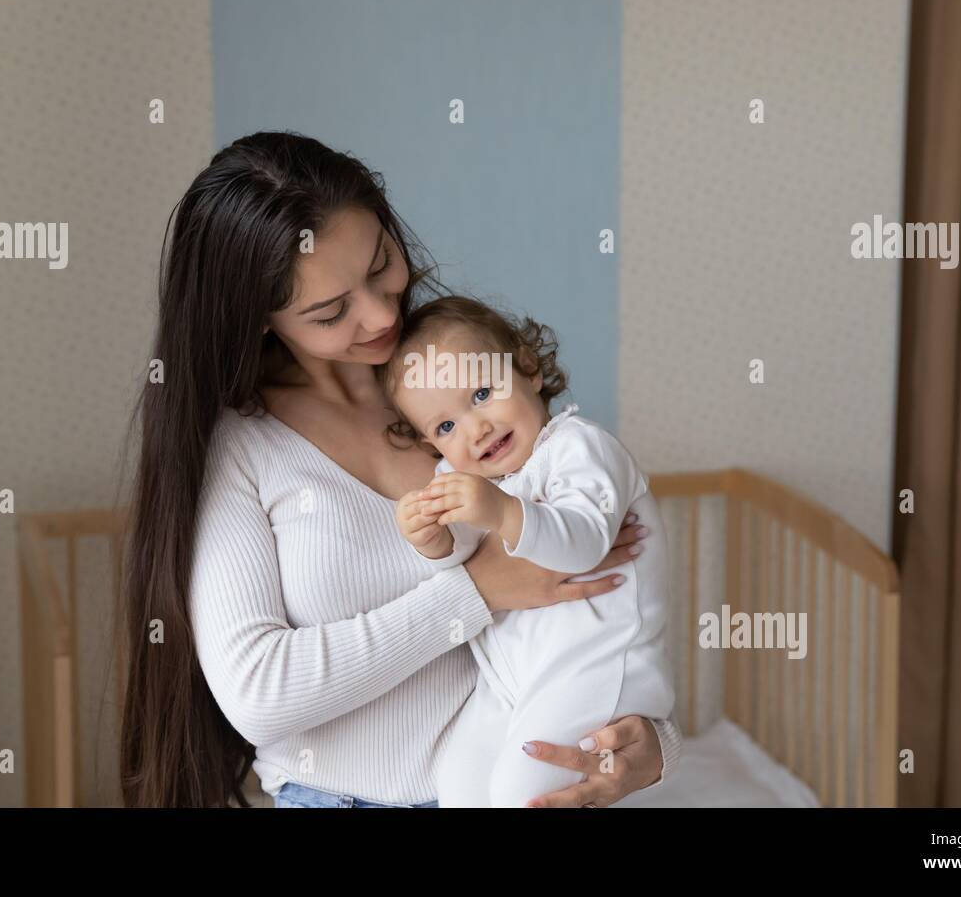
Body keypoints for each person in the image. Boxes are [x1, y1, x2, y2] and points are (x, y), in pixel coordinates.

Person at [119, 130, 681, 807]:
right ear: (261, 320)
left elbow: (592, 614)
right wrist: (475, 591)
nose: (383, 313)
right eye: (330, 312)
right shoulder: (243, 448)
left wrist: (654, 747)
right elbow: (260, 695)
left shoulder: (455, 388)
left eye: (382, 263)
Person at [384, 296, 676, 807]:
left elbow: (585, 540)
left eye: (481, 392)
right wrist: (434, 543)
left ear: (527, 367)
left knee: (523, 789)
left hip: (597, 663)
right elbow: (469, 564)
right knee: (457, 779)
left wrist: (499, 511)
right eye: (446, 427)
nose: (476, 430)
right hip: (512, 680)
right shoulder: (468, 480)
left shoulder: (579, 447)